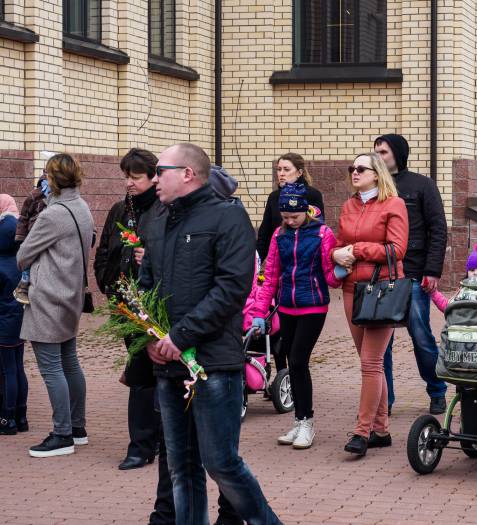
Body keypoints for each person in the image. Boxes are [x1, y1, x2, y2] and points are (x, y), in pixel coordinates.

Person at [140, 143, 280, 525]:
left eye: (161, 170)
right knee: (181, 468)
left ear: (187, 174)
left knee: (220, 463)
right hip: (168, 364)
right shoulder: (155, 219)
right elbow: (145, 286)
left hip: (213, 363)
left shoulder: (228, 218)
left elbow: (231, 288)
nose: (154, 179)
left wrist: (181, 336)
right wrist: (151, 337)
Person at [252, 183, 341, 449]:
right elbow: (270, 278)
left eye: (295, 217)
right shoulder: (279, 236)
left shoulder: (323, 234)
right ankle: (298, 421)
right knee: (292, 363)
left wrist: (342, 273)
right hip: (287, 306)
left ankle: (306, 423)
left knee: (299, 360)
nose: (290, 222)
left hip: (313, 306)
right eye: (285, 217)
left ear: (306, 211)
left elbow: (329, 275)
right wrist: (259, 312)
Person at [17, 153, 94, 458]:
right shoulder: (82, 206)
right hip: (70, 294)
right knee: (69, 362)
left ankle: (62, 434)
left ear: (53, 178)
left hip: (48, 296)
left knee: (51, 368)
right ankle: (77, 428)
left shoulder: (53, 214)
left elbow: (24, 253)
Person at [332, 152, 409, 456]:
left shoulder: (394, 205)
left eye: (361, 168)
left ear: (377, 173)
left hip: (382, 289)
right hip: (352, 289)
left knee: (371, 363)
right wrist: (336, 254)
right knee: (370, 363)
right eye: (352, 168)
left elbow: (397, 249)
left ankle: (362, 432)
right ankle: (382, 429)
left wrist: (357, 249)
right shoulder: (349, 205)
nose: (354, 172)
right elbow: (338, 245)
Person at [94, 148, 164, 470]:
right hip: (126, 303)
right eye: (127, 176)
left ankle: (152, 441)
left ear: (153, 177)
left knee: (154, 372)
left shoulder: (164, 211)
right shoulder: (120, 209)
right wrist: (108, 285)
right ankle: (142, 444)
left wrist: (150, 257)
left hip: (156, 305)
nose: (129, 183)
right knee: (140, 371)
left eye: (136, 177)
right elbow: (105, 249)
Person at [374, 134, 448, 415]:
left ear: (398, 154)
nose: (378, 156)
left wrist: (432, 270)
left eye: (383, 151)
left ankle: (437, 390)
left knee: (421, 336)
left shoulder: (422, 185)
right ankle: (385, 401)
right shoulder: (374, 186)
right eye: (376, 151)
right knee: (383, 343)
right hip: (381, 276)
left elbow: (438, 229)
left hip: (414, 273)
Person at [256, 153, 325, 261]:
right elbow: (265, 234)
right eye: (279, 169)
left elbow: (318, 230)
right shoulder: (274, 197)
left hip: (306, 259)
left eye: (286, 169)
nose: (281, 174)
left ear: (299, 172)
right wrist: (257, 263)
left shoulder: (312, 195)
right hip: (279, 258)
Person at [0, 197, 27, 435]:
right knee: (18, 367)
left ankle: (6, 418)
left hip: (3, 322)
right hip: (19, 319)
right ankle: (21, 414)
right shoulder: (19, 262)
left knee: (6, 369)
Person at [13, 153, 53, 304]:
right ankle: (23, 287)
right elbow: (23, 218)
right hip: (33, 235)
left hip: (48, 237)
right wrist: (21, 239)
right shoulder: (35, 195)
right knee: (28, 264)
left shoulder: (61, 195)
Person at [429, 242, 477, 312]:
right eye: (471, 270)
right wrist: (434, 292)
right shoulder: (462, 290)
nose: (475, 273)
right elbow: (448, 306)